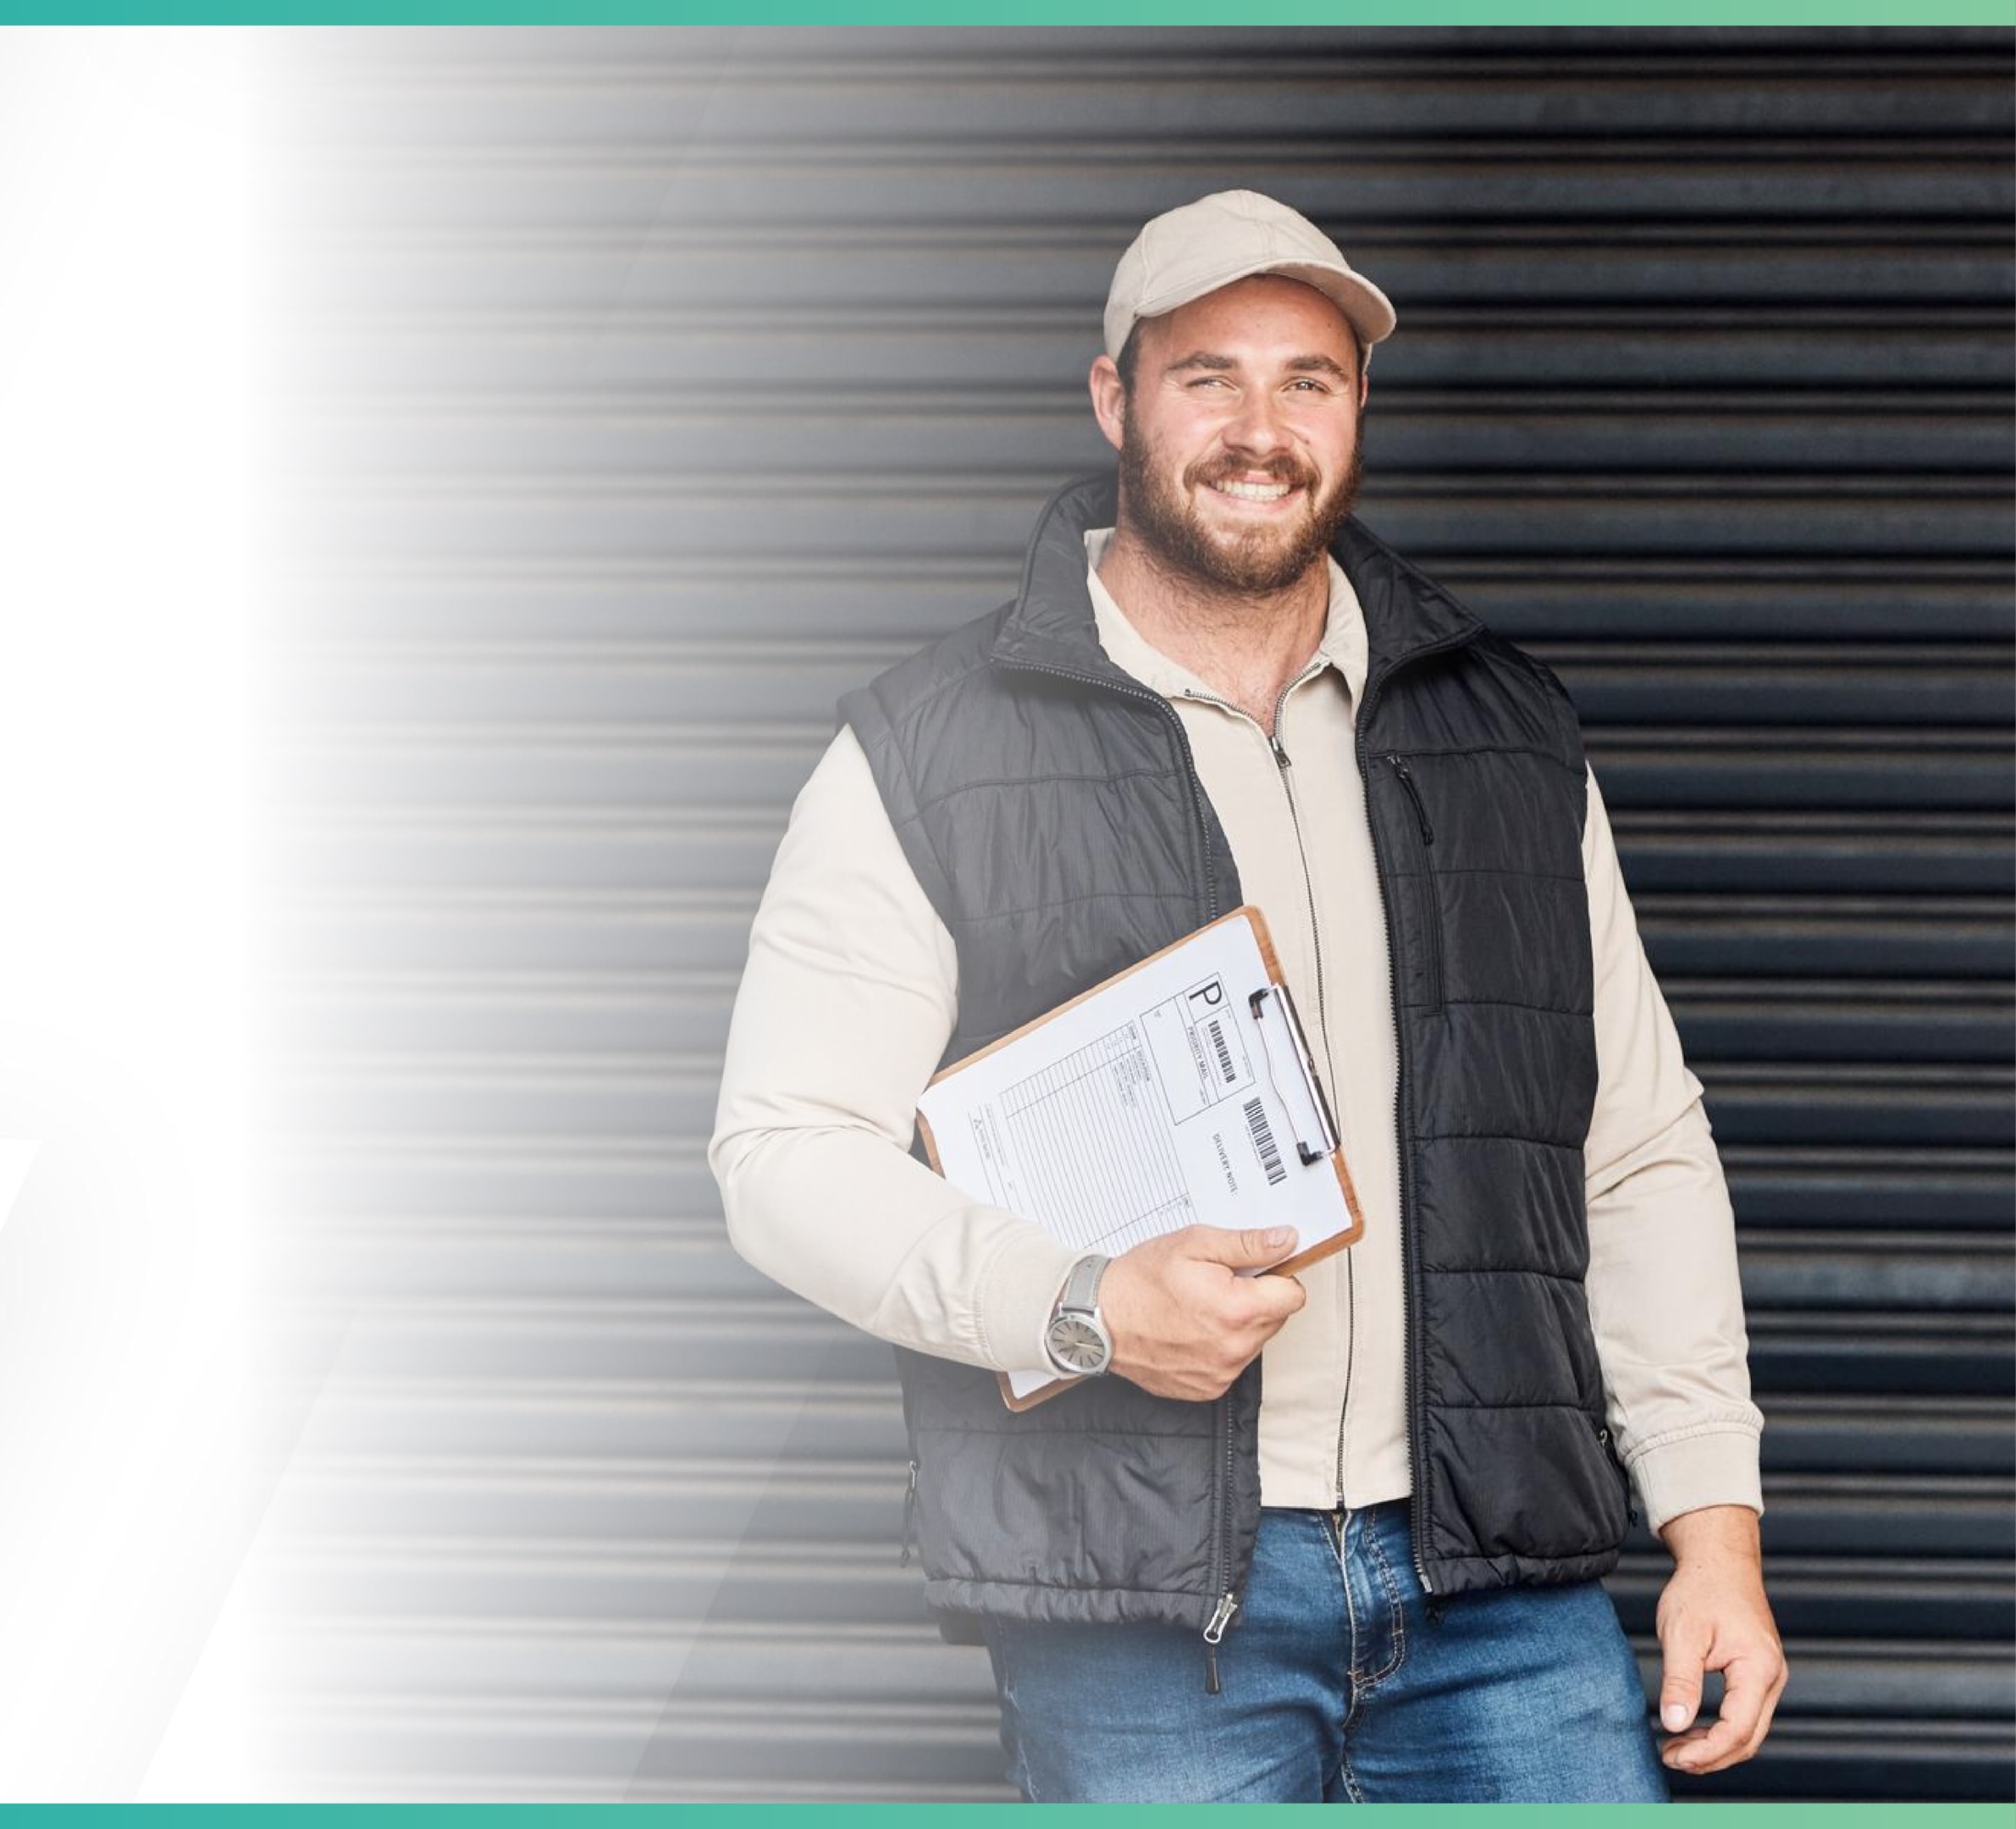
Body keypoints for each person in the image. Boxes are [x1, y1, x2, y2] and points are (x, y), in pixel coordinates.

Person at [707, 191, 1782, 1803]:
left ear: (1357, 410)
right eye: (1208, 376)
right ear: (1113, 398)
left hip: (1504, 1596)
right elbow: (782, 1156)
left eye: (1310, 379)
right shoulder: (924, 751)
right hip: (1149, 1616)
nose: (1260, 428)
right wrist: (1081, 1301)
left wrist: (1713, 1529)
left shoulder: (1509, 735)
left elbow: (1634, 1152)